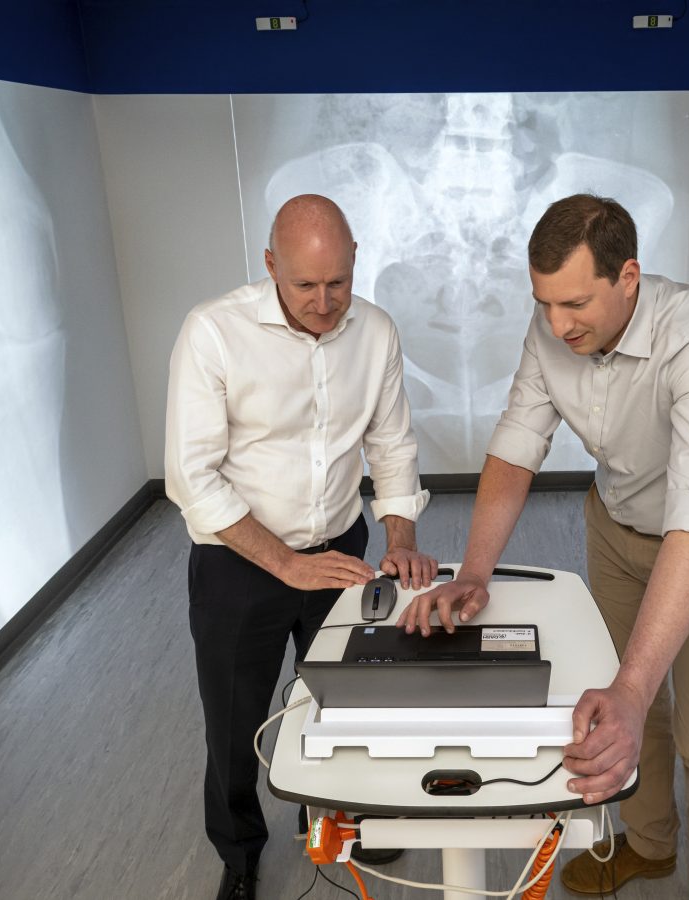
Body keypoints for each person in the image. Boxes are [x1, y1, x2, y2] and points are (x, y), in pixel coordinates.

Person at [397, 194, 689, 900]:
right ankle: (651, 845)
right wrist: (476, 571)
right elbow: (516, 443)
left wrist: (631, 683)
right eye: (544, 303)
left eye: (574, 303)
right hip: (616, 529)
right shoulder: (551, 330)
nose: (557, 324)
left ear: (628, 276)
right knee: (635, 716)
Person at [165, 194, 438, 900]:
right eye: (305, 286)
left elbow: (391, 443)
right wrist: (286, 564)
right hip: (239, 561)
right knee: (235, 720)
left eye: (338, 283)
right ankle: (240, 853)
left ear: (355, 264)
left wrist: (400, 535)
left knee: (348, 701)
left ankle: (339, 815)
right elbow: (191, 476)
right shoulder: (213, 332)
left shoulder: (376, 332)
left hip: (340, 546)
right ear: (269, 267)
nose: (324, 303)